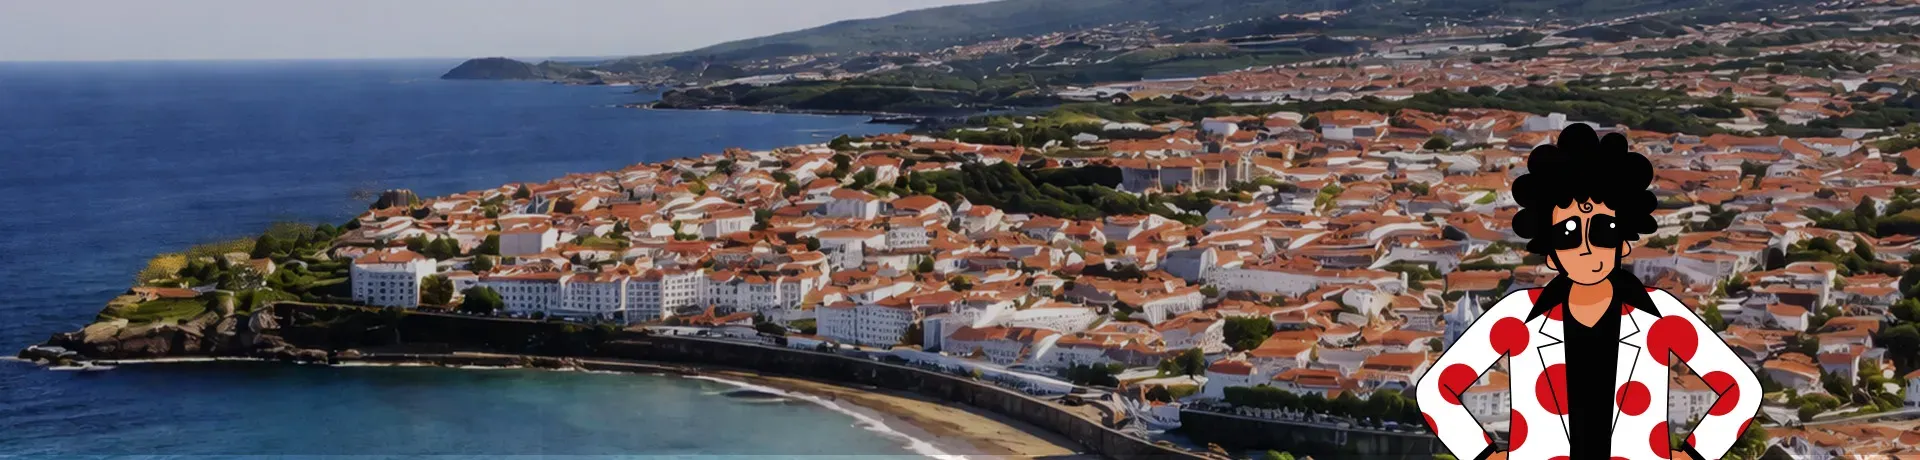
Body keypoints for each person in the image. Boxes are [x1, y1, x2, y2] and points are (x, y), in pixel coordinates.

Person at [1414, 124, 1761, 460]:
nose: (1586, 247)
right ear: (1550, 252)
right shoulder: (1517, 315)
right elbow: (1435, 392)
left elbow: (1741, 390)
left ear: (1623, 242)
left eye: (1604, 231)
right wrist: (1484, 455)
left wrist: (1694, 454)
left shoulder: (1660, 314)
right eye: (1568, 234)